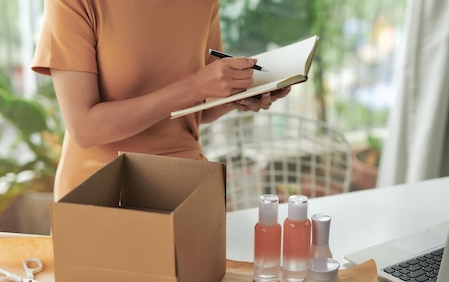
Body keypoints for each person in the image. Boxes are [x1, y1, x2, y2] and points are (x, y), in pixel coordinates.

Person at [31, 0, 290, 200]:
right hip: (101, 190)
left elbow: (199, 111)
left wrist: (237, 95)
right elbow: (85, 128)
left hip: (186, 184)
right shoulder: (74, 3)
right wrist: (195, 86)